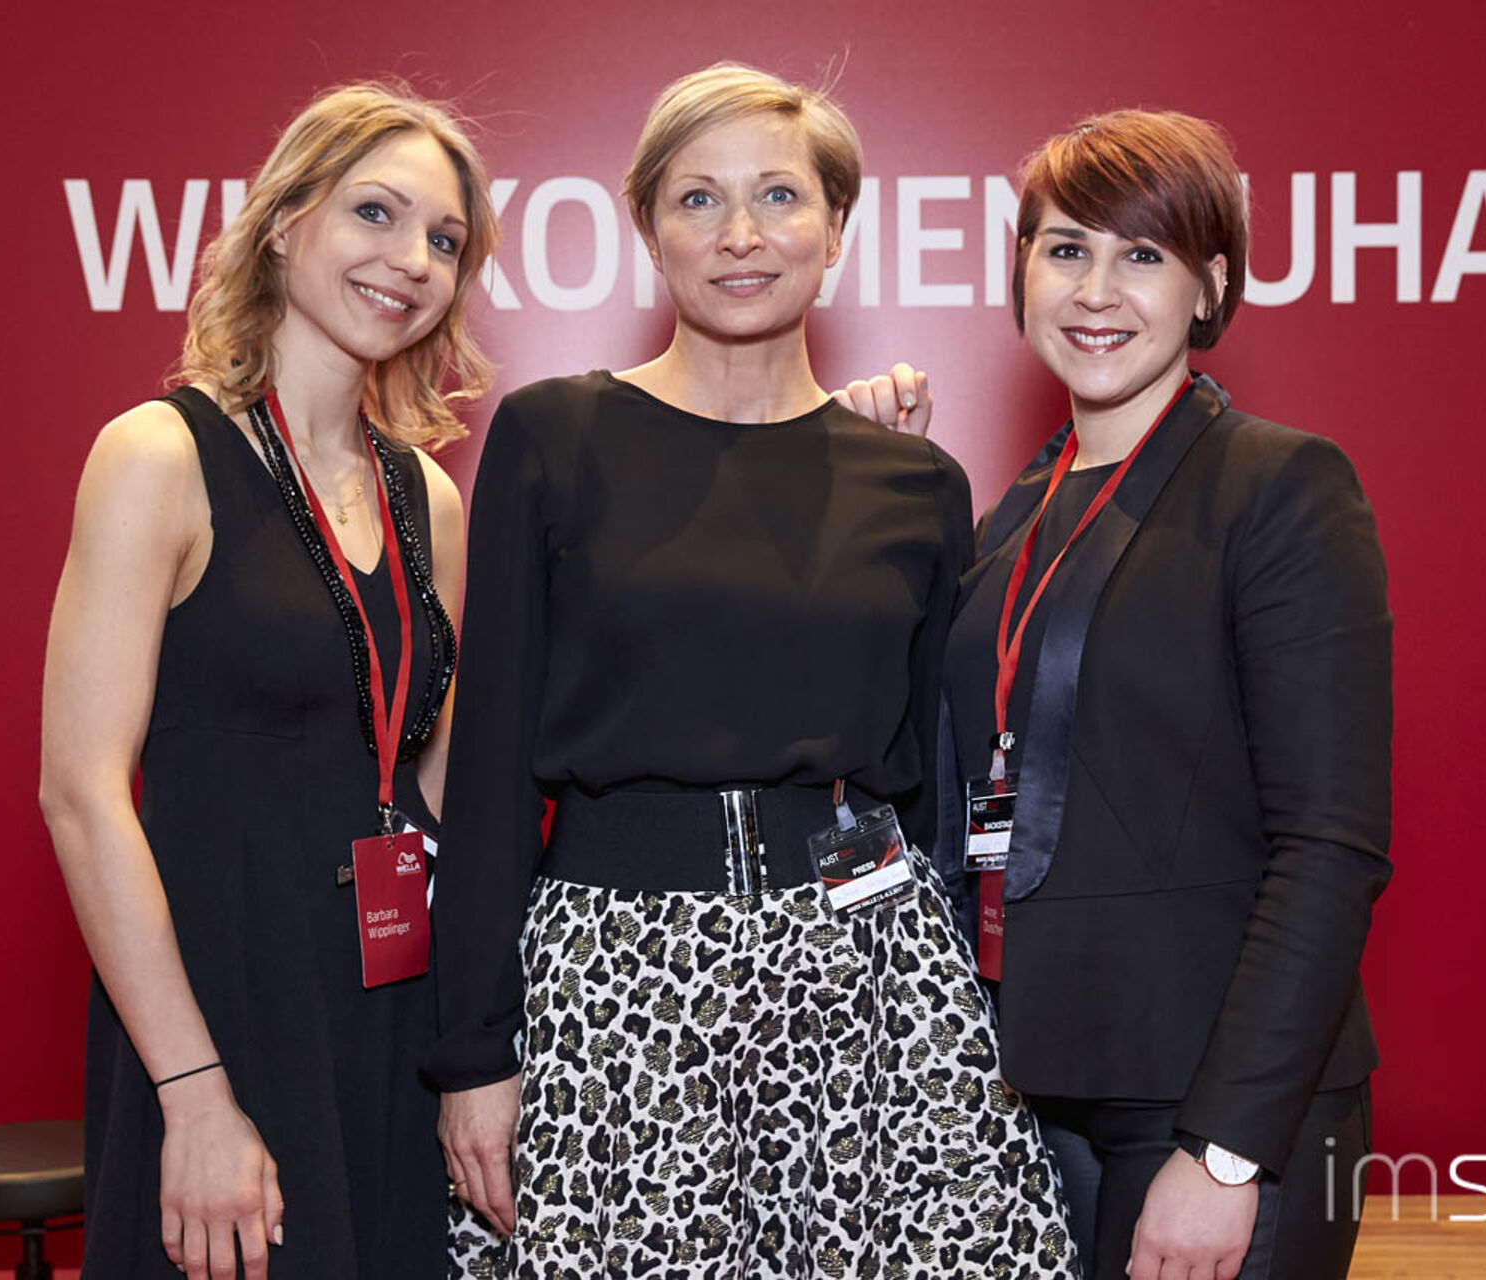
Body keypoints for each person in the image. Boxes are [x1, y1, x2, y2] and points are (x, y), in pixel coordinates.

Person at [426, 63, 1080, 1279]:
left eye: (780, 195)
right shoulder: (553, 438)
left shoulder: (917, 482)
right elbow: (491, 771)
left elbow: (933, 793)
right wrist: (472, 1050)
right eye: (699, 198)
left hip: (871, 975)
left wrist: (952, 1002)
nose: (741, 234)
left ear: (836, 229)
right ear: (648, 230)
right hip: (620, 984)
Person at [39, 82, 497, 1279]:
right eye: (376, 213)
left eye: (444, 239)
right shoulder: (158, 455)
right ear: (286, 221)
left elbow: (441, 783)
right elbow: (81, 794)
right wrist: (192, 1090)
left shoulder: (430, 498)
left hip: (393, 1012)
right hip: (219, 1011)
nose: (412, 259)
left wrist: (475, 1048)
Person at [934, 110, 1393, 1280]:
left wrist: (1226, 1149)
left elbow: (1330, 843)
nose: (1097, 290)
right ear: (1023, 273)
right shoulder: (1017, 508)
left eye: (1142, 254)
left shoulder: (1279, 485)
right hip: (1039, 1092)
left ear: (1211, 284)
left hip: (1217, 1112)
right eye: (1066, 249)